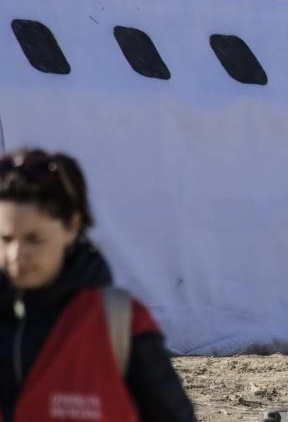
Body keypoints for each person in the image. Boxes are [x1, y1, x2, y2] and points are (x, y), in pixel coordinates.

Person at [0, 148, 194, 421]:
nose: (16, 256)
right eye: (6, 239)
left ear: (71, 226)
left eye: (34, 239)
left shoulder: (118, 323)